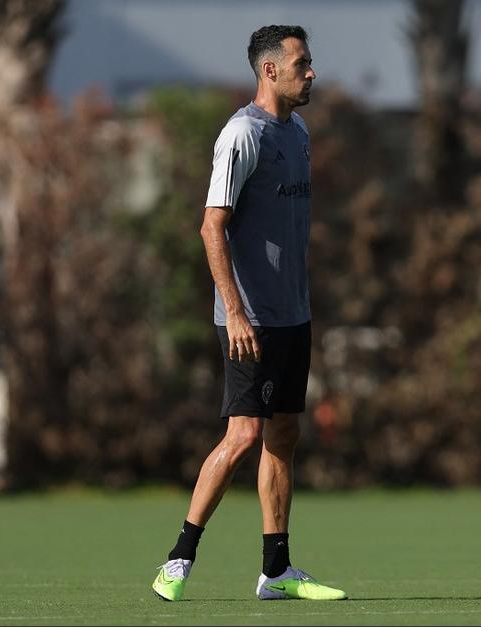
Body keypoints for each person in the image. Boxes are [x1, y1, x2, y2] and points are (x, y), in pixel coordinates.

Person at [151, 24, 346, 602]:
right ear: (270, 70)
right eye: (302, 63)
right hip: (251, 317)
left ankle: (276, 570)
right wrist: (234, 312)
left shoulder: (300, 131)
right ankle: (178, 558)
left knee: (283, 434)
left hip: (292, 314)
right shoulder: (241, 134)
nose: (311, 72)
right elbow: (211, 226)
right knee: (242, 436)